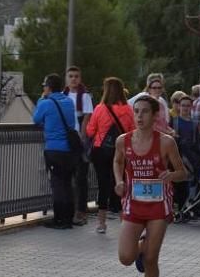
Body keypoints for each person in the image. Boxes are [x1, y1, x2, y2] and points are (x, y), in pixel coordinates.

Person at [114, 95, 186, 277]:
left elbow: (183, 172)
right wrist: (119, 181)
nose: (139, 116)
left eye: (145, 112)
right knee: (126, 257)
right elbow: (117, 162)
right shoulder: (122, 141)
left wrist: (171, 175)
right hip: (133, 203)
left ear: (155, 116)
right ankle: (142, 246)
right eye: (136, 112)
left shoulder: (166, 142)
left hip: (158, 205)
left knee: (152, 258)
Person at [86, 77, 135, 234]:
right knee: (120, 183)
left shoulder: (100, 109)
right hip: (120, 151)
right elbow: (133, 131)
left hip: (101, 151)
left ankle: (101, 223)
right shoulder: (128, 110)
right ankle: (124, 221)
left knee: (103, 185)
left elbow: (90, 131)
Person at [33, 73, 79, 230]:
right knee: (67, 183)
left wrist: (41, 98)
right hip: (69, 151)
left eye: (45, 86)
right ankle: (69, 217)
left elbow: (36, 119)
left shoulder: (45, 103)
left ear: (49, 87)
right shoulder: (69, 102)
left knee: (57, 184)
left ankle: (60, 219)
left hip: (54, 149)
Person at [64, 65, 94, 226]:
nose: (73, 79)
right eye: (71, 76)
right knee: (68, 178)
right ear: (67, 78)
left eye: (76, 76)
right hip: (66, 141)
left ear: (80, 78)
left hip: (80, 142)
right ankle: (68, 209)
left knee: (81, 178)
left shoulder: (85, 97)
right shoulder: (64, 96)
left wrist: (82, 138)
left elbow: (88, 118)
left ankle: (81, 211)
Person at [171, 95, 197, 212]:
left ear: (191, 107)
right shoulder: (174, 121)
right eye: (183, 105)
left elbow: (195, 143)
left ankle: (183, 209)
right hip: (175, 156)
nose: (185, 108)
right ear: (179, 107)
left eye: (188, 105)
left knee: (186, 185)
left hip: (189, 158)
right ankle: (175, 208)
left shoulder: (194, 124)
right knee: (176, 185)